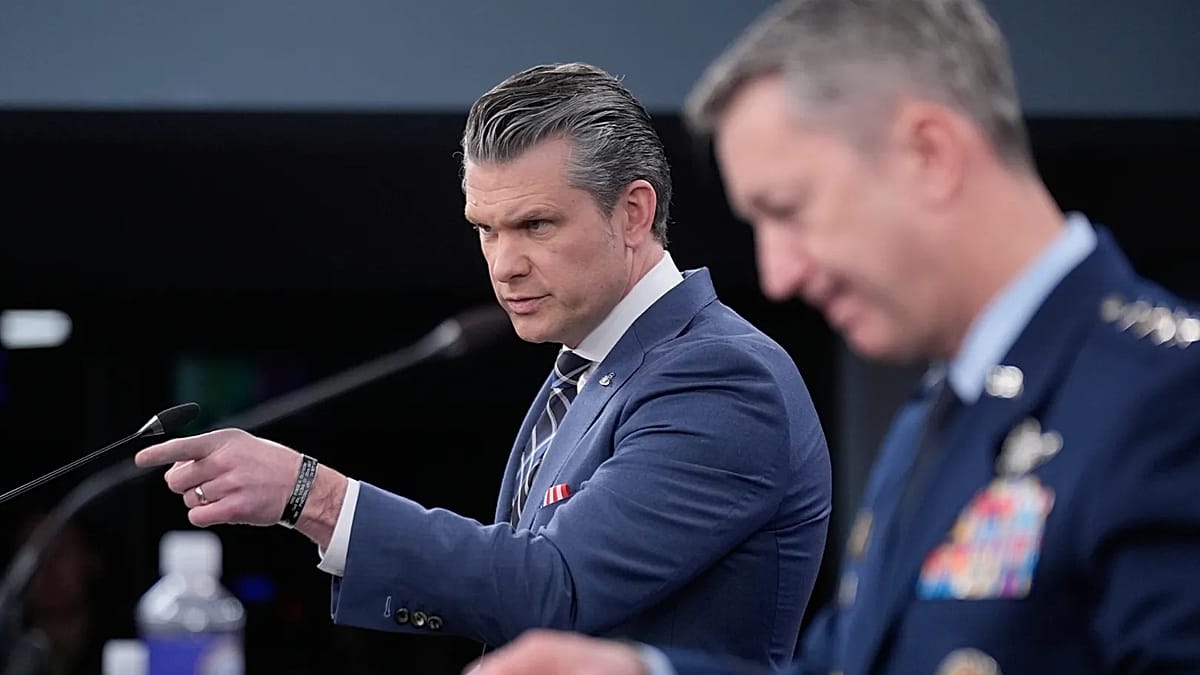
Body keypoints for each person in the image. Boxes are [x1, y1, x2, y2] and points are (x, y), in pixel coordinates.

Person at [465, 1, 1200, 674]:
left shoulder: (1172, 398)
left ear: (929, 154)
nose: (779, 274)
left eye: (791, 209)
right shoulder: (944, 408)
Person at [134, 62, 832, 666]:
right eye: (485, 230)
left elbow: (555, 590)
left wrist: (314, 496)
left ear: (633, 213)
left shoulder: (719, 377)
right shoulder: (590, 367)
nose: (504, 265)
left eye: (535, 225)